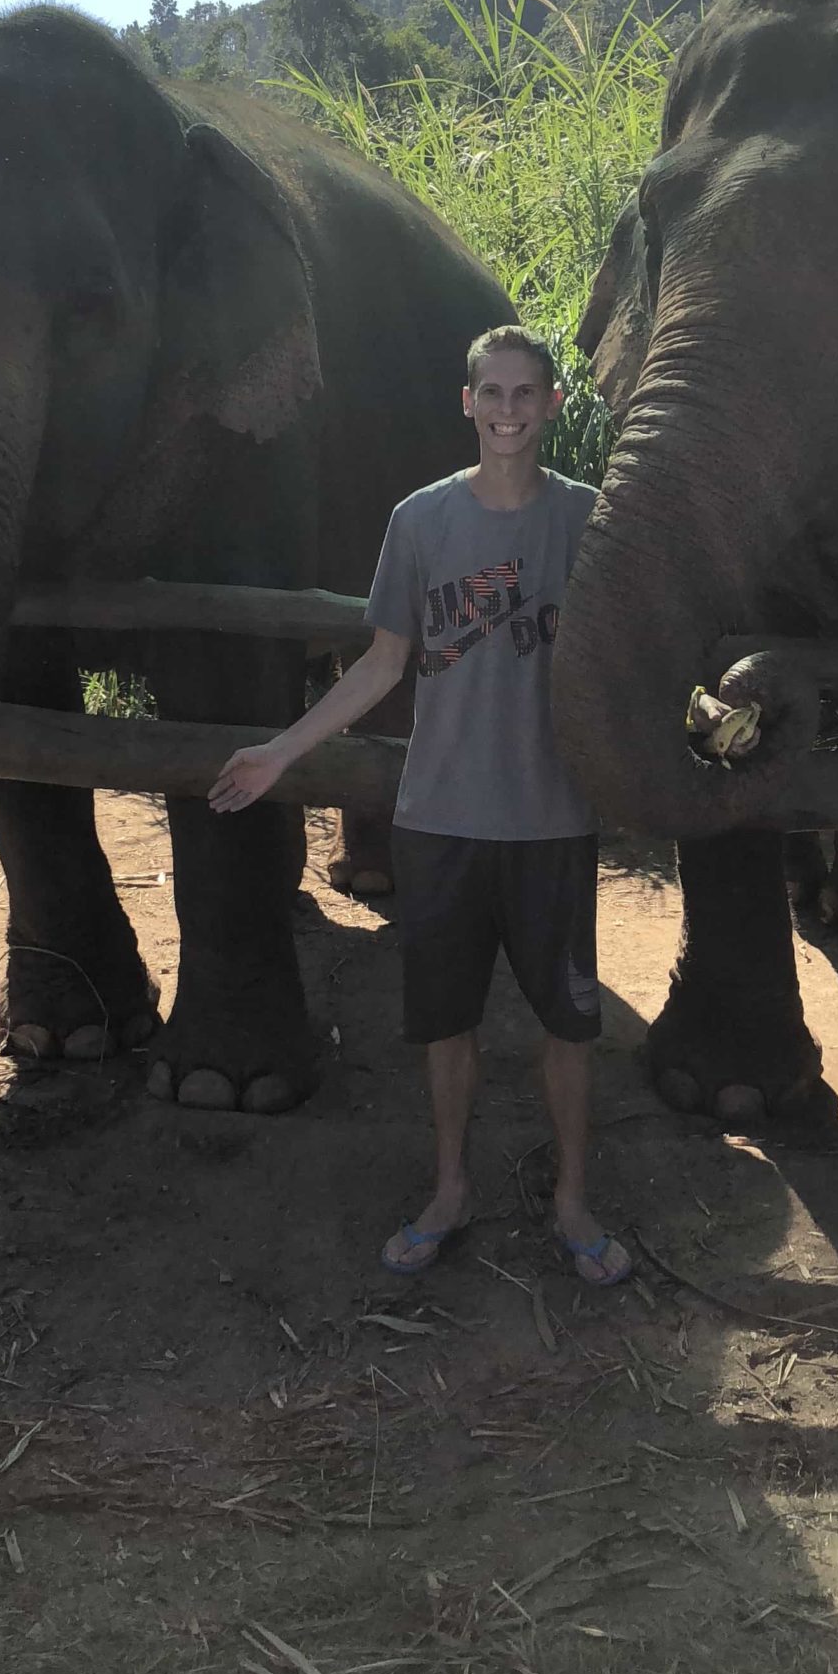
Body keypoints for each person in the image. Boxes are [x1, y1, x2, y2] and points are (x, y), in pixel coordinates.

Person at [209, 325, 632, 1288]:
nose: (511, 411)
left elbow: (627, 649)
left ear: (555, 405)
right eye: (495, 393)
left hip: (554, 819)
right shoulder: (422, 520)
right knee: (446, 1021)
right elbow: (383, 664)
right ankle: (449, 1190)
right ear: (469, 403)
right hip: (439, 816)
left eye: (528, 394)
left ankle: (572, 1202)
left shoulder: (588, 520)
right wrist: (281, 751)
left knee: (568, 1028)